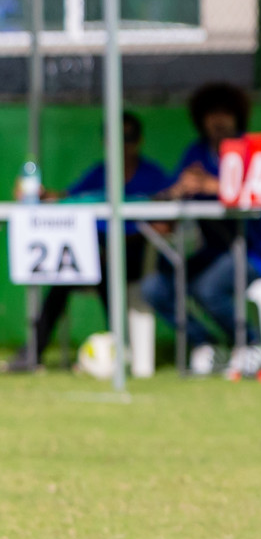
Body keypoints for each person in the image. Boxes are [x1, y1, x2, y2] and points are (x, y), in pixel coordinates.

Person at [4, 112, 170, 372]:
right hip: (95, 252)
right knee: (63, 276)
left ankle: (119, 346)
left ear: (139, 141)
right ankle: (33, 352)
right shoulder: (99, 173)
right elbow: (69, 198)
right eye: (114, 138)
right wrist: (42, 194)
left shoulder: (153, 175)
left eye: (128, 138)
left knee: (105, 267)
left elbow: (166, 223)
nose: (121, 144)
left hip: (134, 255)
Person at [141, 82, 261, 375]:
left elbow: (258, 191)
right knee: (155, 288)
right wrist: (177, 190)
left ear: (238, 116)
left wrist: (211, 185)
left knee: (207, 287)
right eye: (212, 114)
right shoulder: (196, 152)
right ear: (201, 119)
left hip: (253, 252)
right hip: (212, 252)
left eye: (225, 113)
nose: (218, 120)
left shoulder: (251, 149)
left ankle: (252, 343)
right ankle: (207, 344)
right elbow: (175, 195)